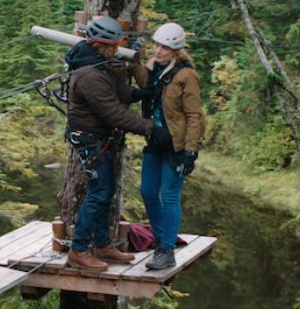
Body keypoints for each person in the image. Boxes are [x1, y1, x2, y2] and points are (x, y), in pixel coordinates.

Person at [63, 15, 159, 271]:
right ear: (98, 44)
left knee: (105, 192)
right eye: (112, 45)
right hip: (89, 139)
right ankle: (79, 250)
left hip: (97, 137)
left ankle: (103, 245)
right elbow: (114, 113)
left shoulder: (98, 63)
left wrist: (139, 93)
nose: (117, 49)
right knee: (98, 193)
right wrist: (150, 127)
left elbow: (117, 93)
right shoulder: (89, 75)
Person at [129, 22, 206, 270]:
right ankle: (161, 240)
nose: (158, 50)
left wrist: (191, 152)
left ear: (175, 50)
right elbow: (146, 84)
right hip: (155, 141)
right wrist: (134, 56)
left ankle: (166, 249)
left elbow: (195, 115)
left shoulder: (186, 76)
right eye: (157, 45)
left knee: (169, 195)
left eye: (164, 47)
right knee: (148, 191)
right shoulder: (154, 68)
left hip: (177, 145)